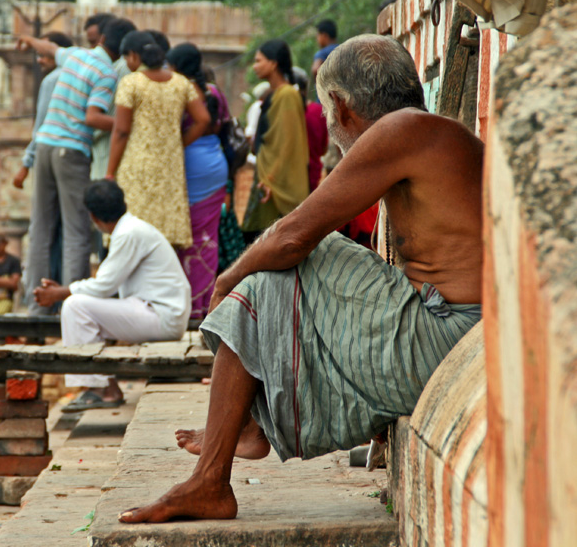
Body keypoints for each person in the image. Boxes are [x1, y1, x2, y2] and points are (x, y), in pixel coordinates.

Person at [119, 34, 484, 524]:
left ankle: (212, 477)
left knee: (278, 267)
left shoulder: (403, 132)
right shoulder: (431, 132)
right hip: (452, 331)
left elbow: (295, 236)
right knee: (280, 267)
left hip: (451, 336)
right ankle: (242, 434)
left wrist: (227, 281)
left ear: (339, 106)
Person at [34, 180, 191, 411]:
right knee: (79, 304)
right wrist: (63, 290)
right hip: (158, 313)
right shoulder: (131, 228)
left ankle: (101, 389)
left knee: (75, 306)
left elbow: (103, 286)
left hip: (161, 316)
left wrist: (59, 293)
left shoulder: (129, 233)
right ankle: (106, 386)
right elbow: (105, 284)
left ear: (93, 217)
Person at [17, 17, 137, 315]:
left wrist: (30, 40)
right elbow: (92, 117)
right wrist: (129, 125)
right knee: (77, 230)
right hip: (71, 151)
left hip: (45, 145)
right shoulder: (107, 74)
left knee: (41, 230)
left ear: (100, 39)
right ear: (122, 51)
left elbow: (49, 47)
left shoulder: (76, 55)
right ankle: (74, 308)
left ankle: (36, 307)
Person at [106, 31, 211, 249]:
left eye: (127, 59)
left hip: (137, 168)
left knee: (132, 236)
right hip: (169, 168)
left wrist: (109, 171)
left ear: (134, 56)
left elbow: (122, 130)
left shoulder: (131, 83)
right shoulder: (181, 83)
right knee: (163, 239)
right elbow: (203, 119)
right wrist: (179, 143)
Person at [166, 43, 230, 318]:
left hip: (191, 168)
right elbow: (224, 126)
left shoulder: (180, 91)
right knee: (207, 239)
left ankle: (190, 309)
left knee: (187, 238)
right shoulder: (213, 91)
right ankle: (205, 306)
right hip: (215, 165)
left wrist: (180, 143)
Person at [241, 39, 309, 243]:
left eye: (258, 60)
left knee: (266, 240)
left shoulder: (286, 95)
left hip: (274, 184)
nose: (255, 66)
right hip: (266, 177)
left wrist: (271, 178)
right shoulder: (276, 94)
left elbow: (287, 142)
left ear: (273, 63)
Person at [13, 31, 75, 190]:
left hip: (52, 152)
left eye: (43, 55)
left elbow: (42, 125)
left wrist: (25, 165)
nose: (39, 60)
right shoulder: (79, 74)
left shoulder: (53, 80)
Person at [292, 67, 329, 192]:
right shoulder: (319, 111)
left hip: (289, 178)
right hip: (313, 175)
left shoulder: (287, 112)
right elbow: (323, 149)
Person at [311, 19, 339, 102]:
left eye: (318, 36)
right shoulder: (343, 49)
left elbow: (315, 69)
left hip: (326, 99)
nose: (317, 39)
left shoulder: (322, 53)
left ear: (324, 36)